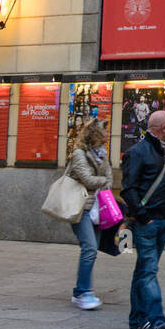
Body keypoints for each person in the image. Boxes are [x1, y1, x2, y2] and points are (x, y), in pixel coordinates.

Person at [121, 109, 165, 329]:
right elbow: (128, 189)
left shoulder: (164, 152)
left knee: (144, 271)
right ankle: (156, 320)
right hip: (147, 224)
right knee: (149, 271)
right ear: (162, 128)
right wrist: (143, 218)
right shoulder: (137, 152)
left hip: (164, 221)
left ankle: (136, 320)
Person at [65, 117, 112, 310]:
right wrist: (101, 181)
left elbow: (109, 178)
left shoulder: (102, 154)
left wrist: (101, 181)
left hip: (97, 208)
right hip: (80, 206)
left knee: (91, 251)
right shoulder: (79, 154)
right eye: (105, 131)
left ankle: (80, 291)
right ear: (95, 134)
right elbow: (87, 178)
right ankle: (84, 292)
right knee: (90, 247)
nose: (108, 134)